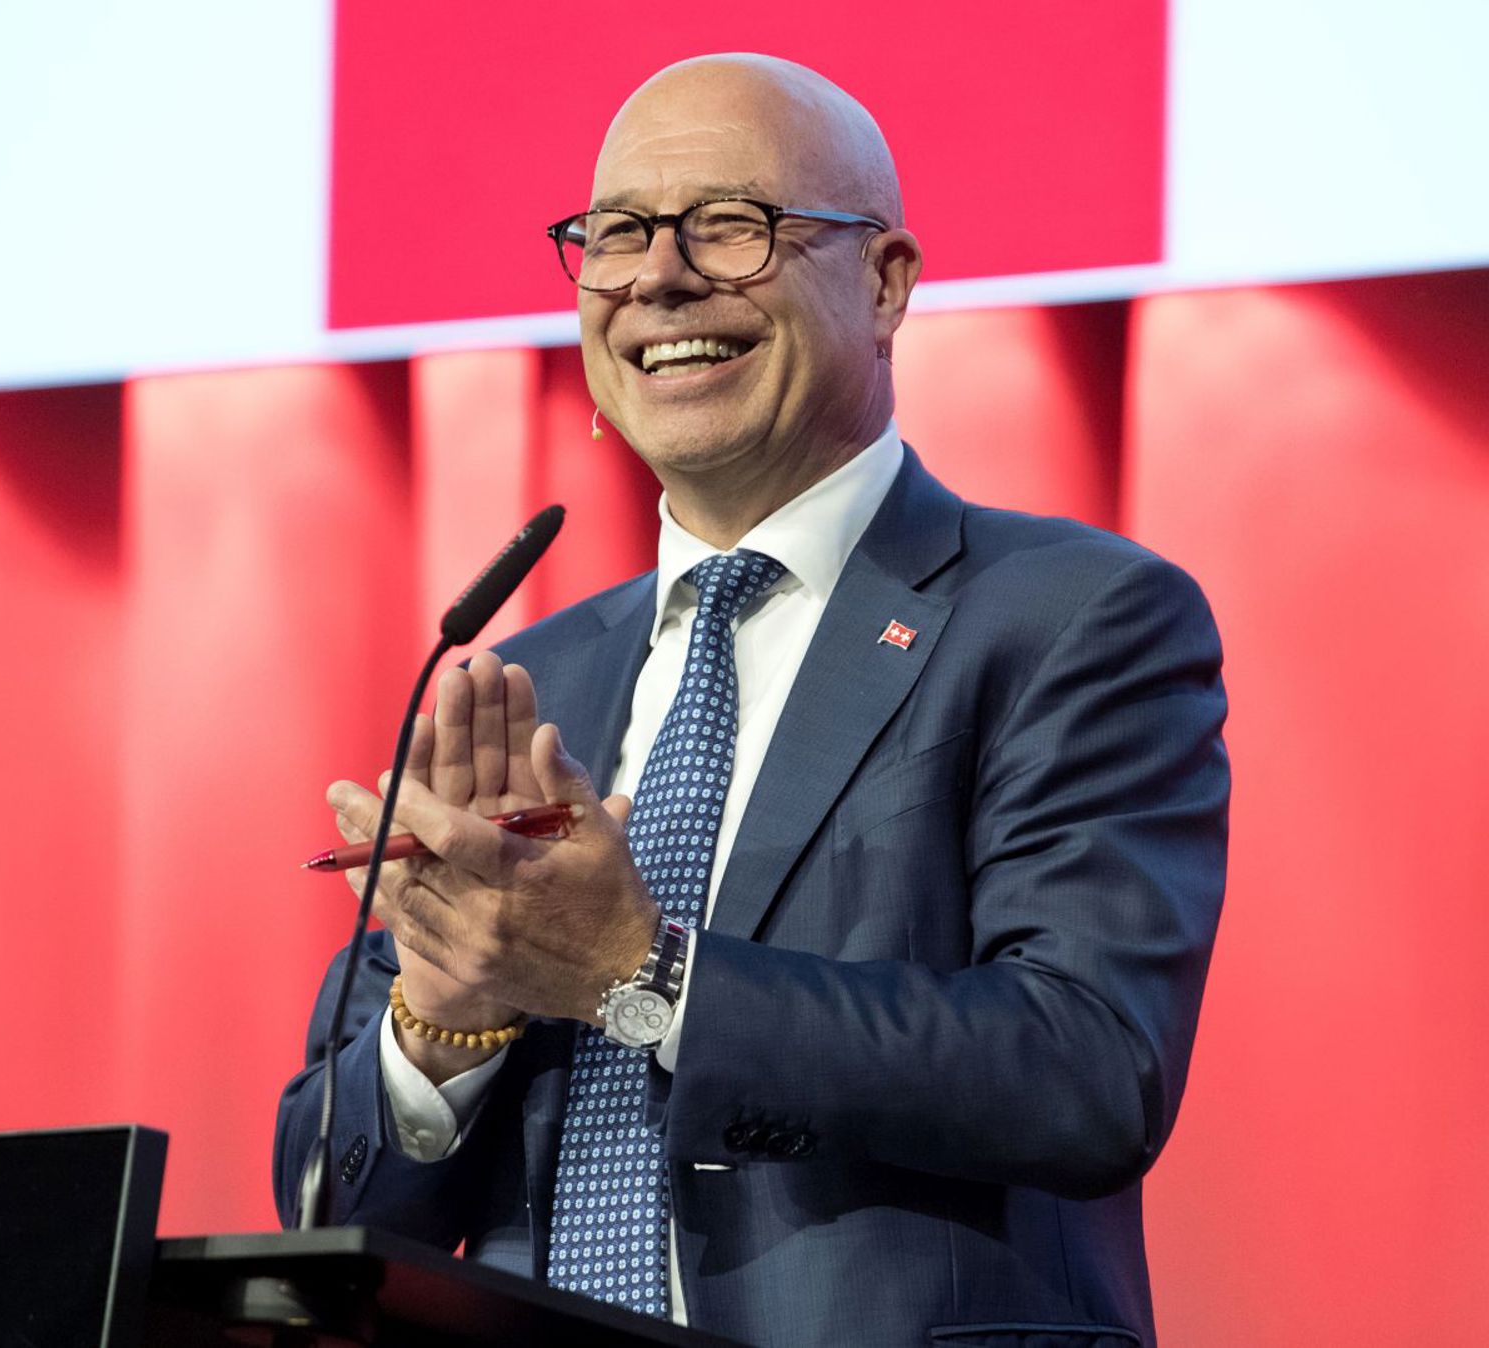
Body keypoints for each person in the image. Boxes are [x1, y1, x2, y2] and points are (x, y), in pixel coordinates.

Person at [275, 53, 1227, 1348]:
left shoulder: (1068, 615)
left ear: (885, 282)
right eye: (616, 235)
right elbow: (329, 1199)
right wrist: (446, 1015)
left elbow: (1087, 1071)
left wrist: (642, 972)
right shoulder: (532, 680)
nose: (658, 278)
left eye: (730, 226)